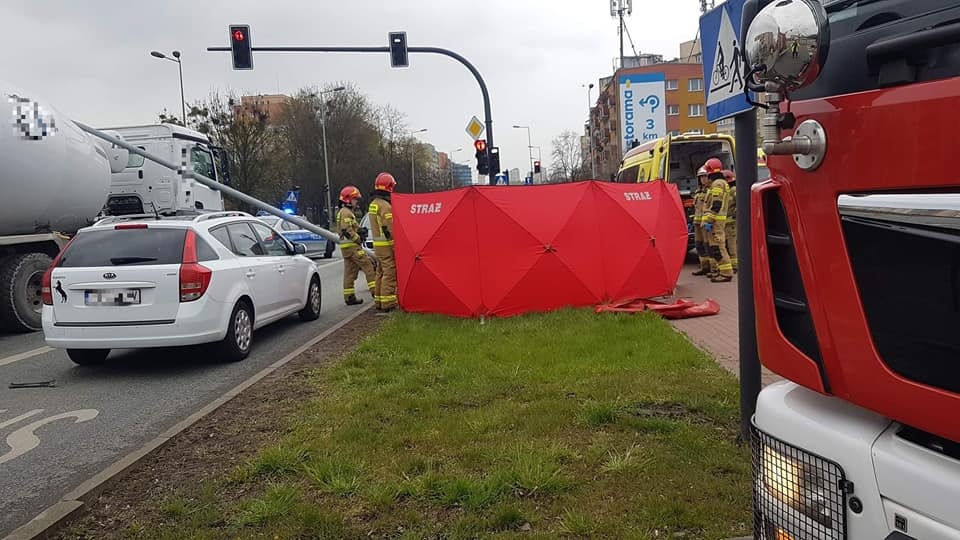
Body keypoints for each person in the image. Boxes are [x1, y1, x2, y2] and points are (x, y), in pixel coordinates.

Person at [337, 185, 375, 306]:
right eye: (355, 199)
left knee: (350, 272)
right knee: (368, 265)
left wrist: (360, 229)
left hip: (346, 249)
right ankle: (376, 293)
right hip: (353, 247)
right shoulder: (346, 213)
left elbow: (352, 227)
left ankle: (349, 297)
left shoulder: (345, 212)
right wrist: (358, 238)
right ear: (348, 199)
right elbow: (346, 229)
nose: (356, 202)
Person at [368, 172, 398, 312]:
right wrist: (395, 245)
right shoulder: (386, 206)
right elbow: (389, 228)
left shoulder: (374, 204)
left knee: (380, 272)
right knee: (389, 272)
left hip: (377, 245)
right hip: (386, 245)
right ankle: (388, 303)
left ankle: (379, 301)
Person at [701, 158, 734, 283]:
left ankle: (726, 273)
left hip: (715, 222)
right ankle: (722, 271)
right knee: (716, 247)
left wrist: (709, 219)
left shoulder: (717, 184)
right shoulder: (720, 183)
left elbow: (716, 204)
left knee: (718, 248)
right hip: (716, 221)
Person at [691, 166, 716, 277]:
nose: (703, 179)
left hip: (707, 223)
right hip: (698, 223)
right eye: (701, 177)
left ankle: (714, 268)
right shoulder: (698, 191)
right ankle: (704, 267)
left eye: (705, 177)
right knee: (699, 245)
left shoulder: (711, 191)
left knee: (709, 246)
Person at [722, 170, 738, 273]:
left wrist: (735, 214)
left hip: (731, 223)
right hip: (725, 224)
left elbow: (741, 202)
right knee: (727, 245)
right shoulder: (727, 191)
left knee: (732, 246)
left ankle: (735, 266)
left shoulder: (733, 190)